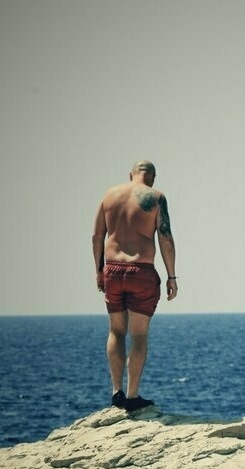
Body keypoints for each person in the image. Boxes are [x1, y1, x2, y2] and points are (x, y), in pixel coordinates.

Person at [92, 160, 178, 412]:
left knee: (116, 331)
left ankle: (116, 392)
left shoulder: (109, 195)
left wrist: (99, 270)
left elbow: (97, 236)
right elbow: (165, 237)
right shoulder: (155, 197)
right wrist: (172, 276)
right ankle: (132, 397)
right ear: (152, 177)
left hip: (112, 269)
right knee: (138, 335)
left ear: (130, 175)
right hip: (142, 270)